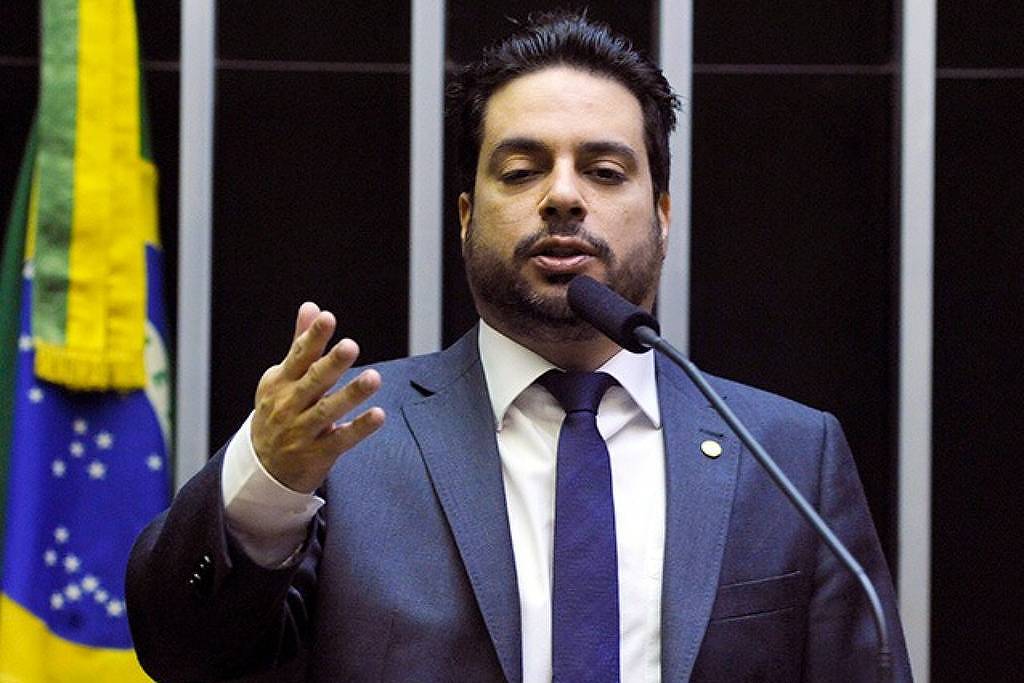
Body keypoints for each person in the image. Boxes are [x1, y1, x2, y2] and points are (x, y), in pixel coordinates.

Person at [126, 12, 912, 682]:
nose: (563, 195)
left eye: (605, 170)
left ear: (663, 214)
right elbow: (183, 652)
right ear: (466, 214)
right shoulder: (342, 441)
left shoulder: (788, 457)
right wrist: (265, 484)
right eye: (522, 169)